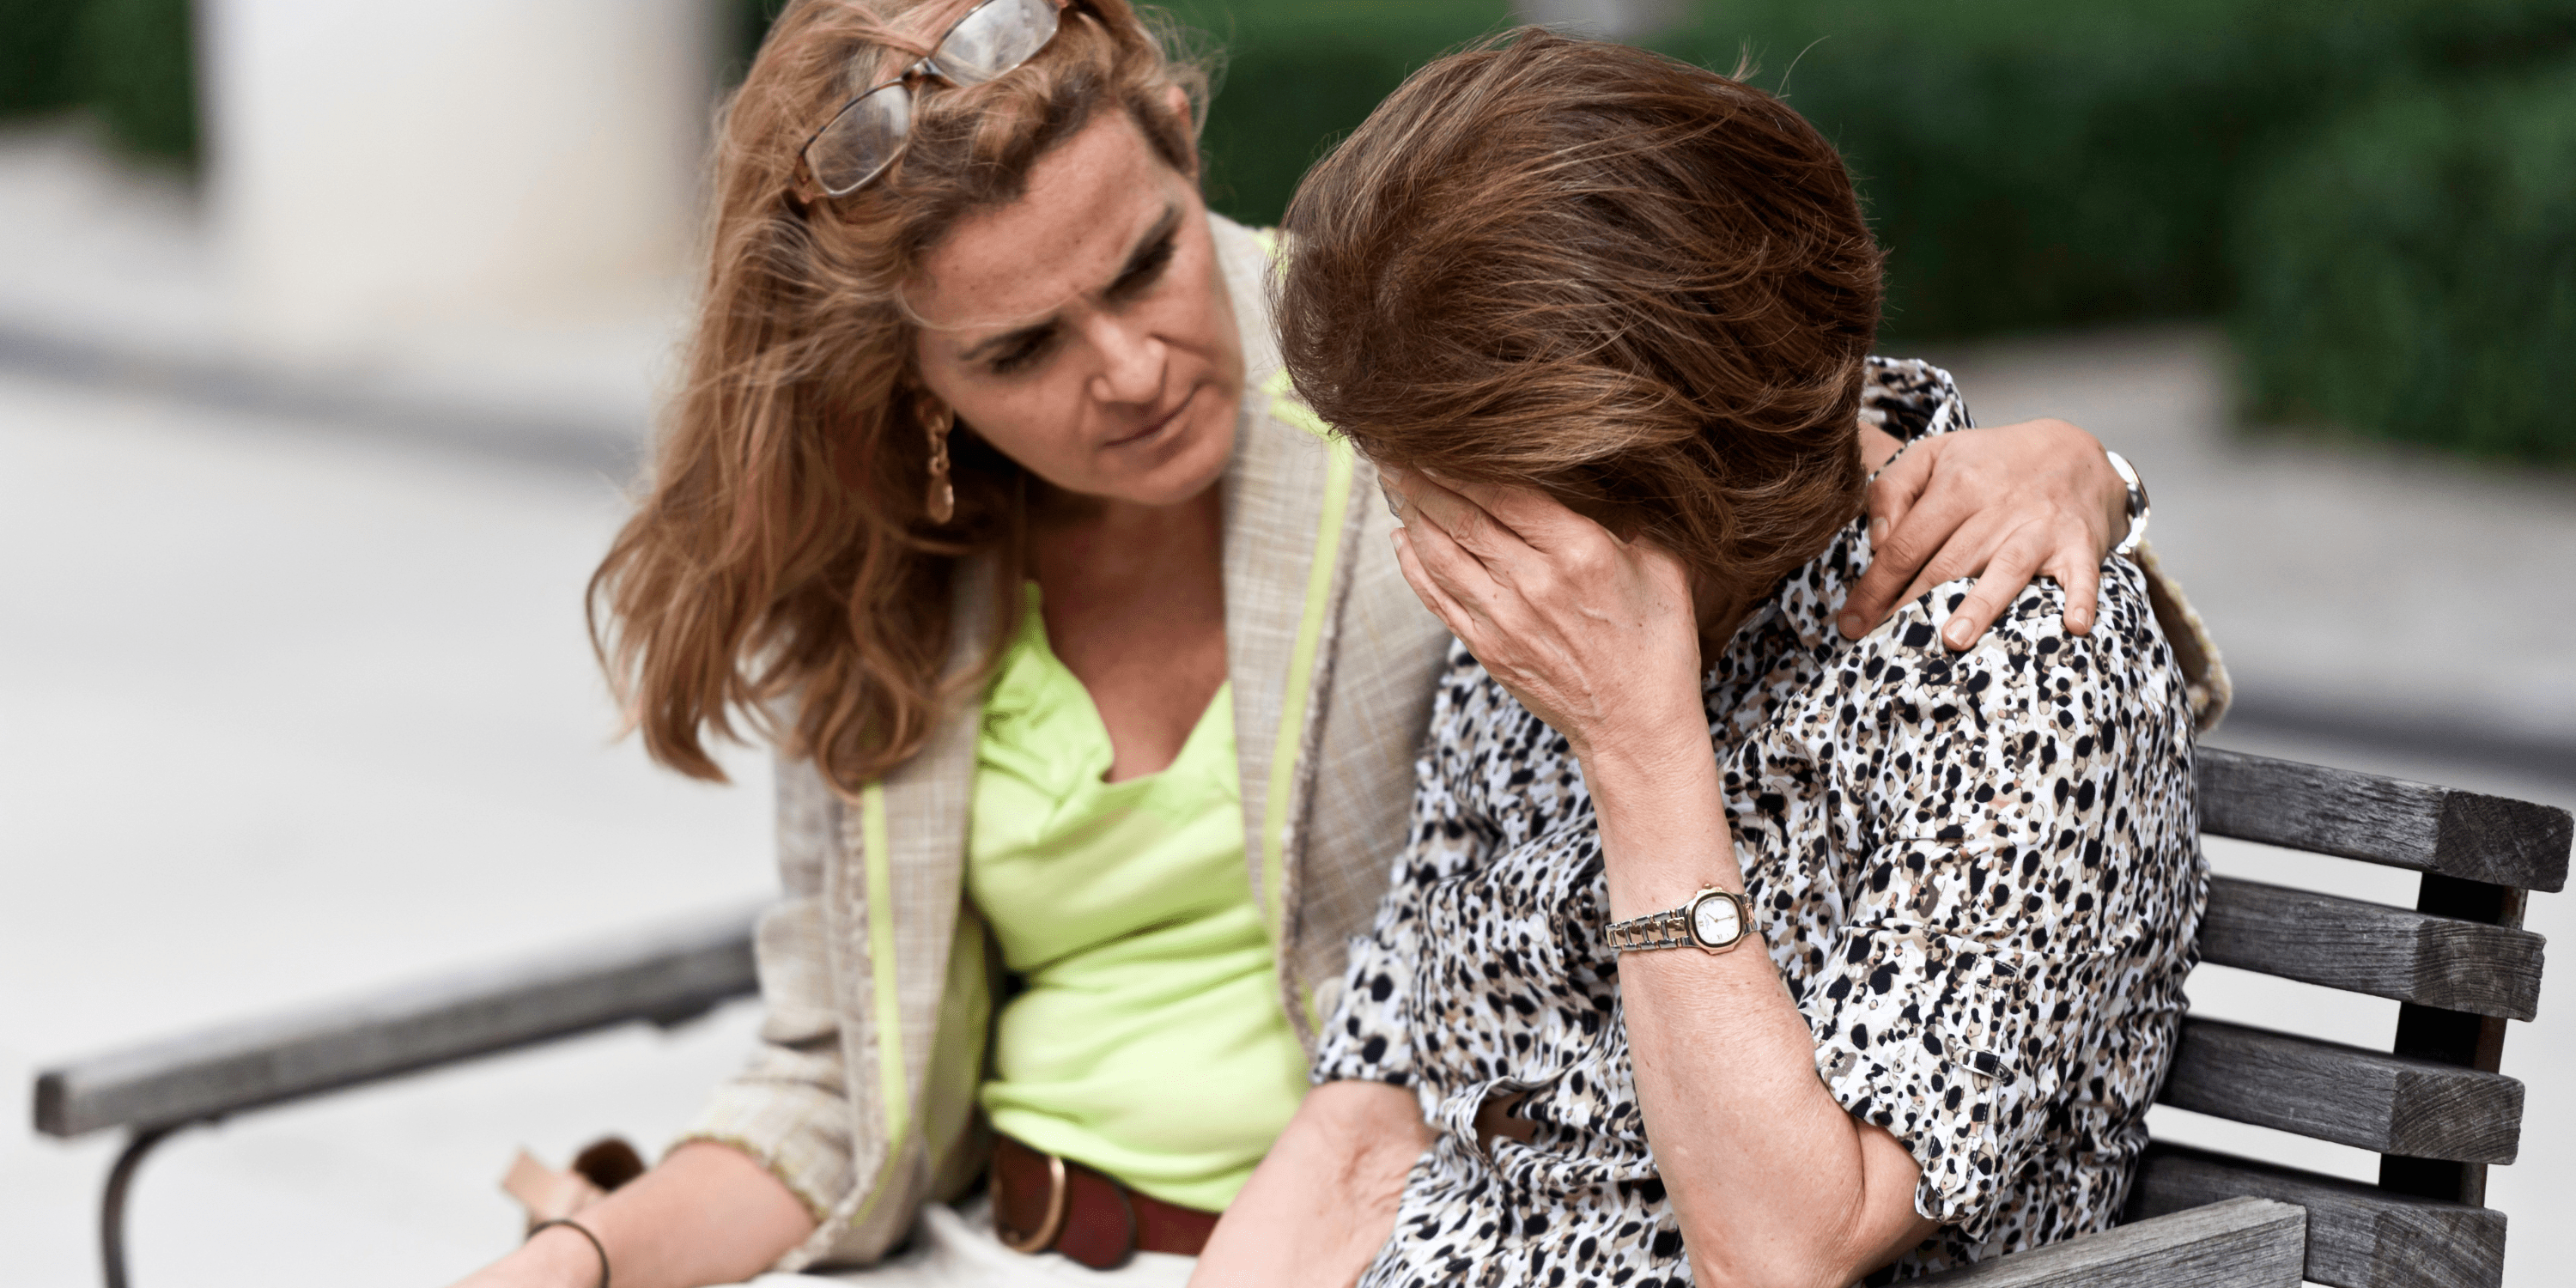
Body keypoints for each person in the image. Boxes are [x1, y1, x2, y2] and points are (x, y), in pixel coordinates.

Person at [450, 3, 2186, 1285]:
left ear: (1193, 166)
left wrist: (2082, 469)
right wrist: (587, 1255)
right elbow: (1365, 1104)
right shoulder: (1458, 535)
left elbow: (1731, 363)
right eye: (1021, 352)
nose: (1130, 370)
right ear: (912, 385)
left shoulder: (1455, 437)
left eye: (1144, 267)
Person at [1198, 31, 2215, 1288]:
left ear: (1679, 497)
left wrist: (1641, 747)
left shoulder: (2015, 669)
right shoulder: (1538, 613)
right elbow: (1368, 1121)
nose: (1437, 565)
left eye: (1466, 521)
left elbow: (1784, 1250)